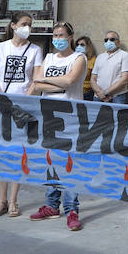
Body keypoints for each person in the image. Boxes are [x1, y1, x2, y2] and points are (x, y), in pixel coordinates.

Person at [27, 21, 88, 230]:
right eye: (55, 35)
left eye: (62, 35)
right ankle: (52, 204)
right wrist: (50, 82)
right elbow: (36, 84)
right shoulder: (50, 57)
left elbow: (70, 81)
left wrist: (44, 81)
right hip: (48, 116)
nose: (58, 39)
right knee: (51, 160)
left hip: (70, 118)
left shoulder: (78, 58)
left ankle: (72, 209)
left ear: (70, 37)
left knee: (70, 162)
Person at [0, 11, 42, 217]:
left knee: (18, 153)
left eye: (30, 24)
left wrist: (24, 101)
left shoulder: (35, 50)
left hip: (24, 108)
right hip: (3, 106)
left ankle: (13, 201)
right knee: (2, 152)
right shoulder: (1, 48)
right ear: (13, 26)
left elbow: (36, 80)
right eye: (24, 23)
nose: (28, 27)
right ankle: (1, 200)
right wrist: (4, 100)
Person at [92, 30, 128, 104]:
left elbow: (125, 79)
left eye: (112, 39)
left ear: (118, 42)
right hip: (98, 96)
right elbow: (93, 79)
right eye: (106, 40)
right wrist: (99, 92)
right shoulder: (100, 57)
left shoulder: (124, 55)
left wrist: (105, 93)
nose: (108, 42)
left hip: (117, 97)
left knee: (117, 115)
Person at [75, 36, 96, 100]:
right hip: (73, 92)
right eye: (77, 45)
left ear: (88, 47)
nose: (79, 47)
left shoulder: (93, 60)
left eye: (82, 45)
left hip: (87, 93)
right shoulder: (73, 59)